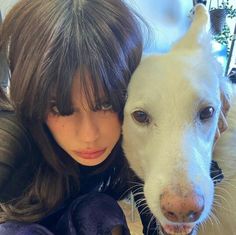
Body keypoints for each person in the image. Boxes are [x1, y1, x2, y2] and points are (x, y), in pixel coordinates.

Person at [0, 0, 156, 234]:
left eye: (106, 104)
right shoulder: (11, 137)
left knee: (100, 211)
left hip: (78, 218)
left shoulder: (135, 129)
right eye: (61, 109)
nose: (89, 135)